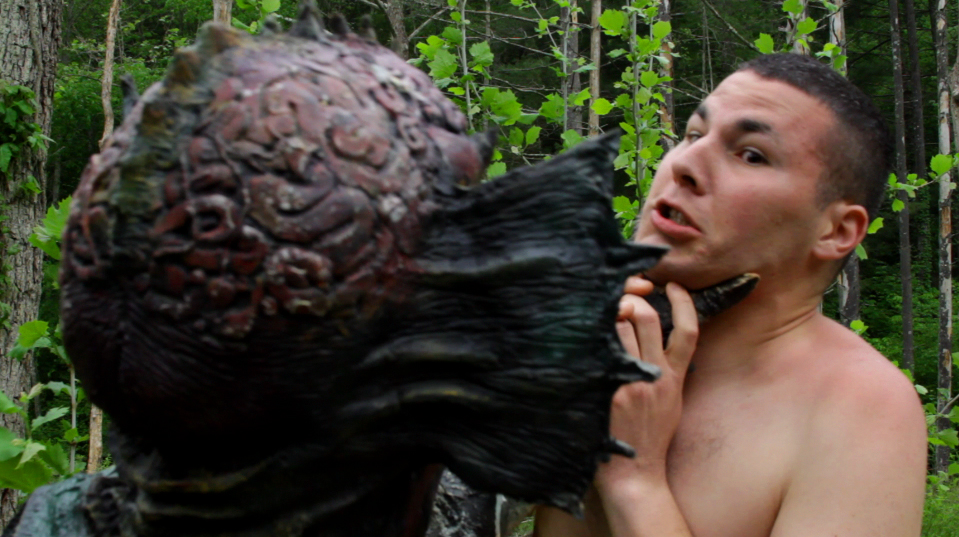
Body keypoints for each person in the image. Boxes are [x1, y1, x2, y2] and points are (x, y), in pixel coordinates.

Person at [534, 52, 928, 537]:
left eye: (751, 155)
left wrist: (634, 480)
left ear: (836, 230)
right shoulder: (593, 341)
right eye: (693, 135)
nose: (684, 164)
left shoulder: (860, 406)